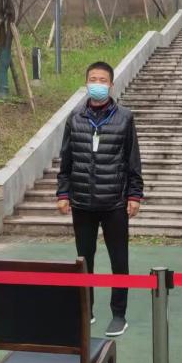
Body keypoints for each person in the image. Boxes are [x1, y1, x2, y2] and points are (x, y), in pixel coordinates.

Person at [56, 61, 144, 337]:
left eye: (102, 80)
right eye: (93, 79)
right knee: (84, 260)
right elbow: (66, 159)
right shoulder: (75, 118)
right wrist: (63, 192)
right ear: (86, 83)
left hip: (115, 202)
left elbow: (132, 159)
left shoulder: (124, 118)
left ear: (111, 85)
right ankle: (87, 311)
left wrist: (135, 194)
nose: (97, 84)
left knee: (119, 261)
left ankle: (119, 314)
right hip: (82, 202)